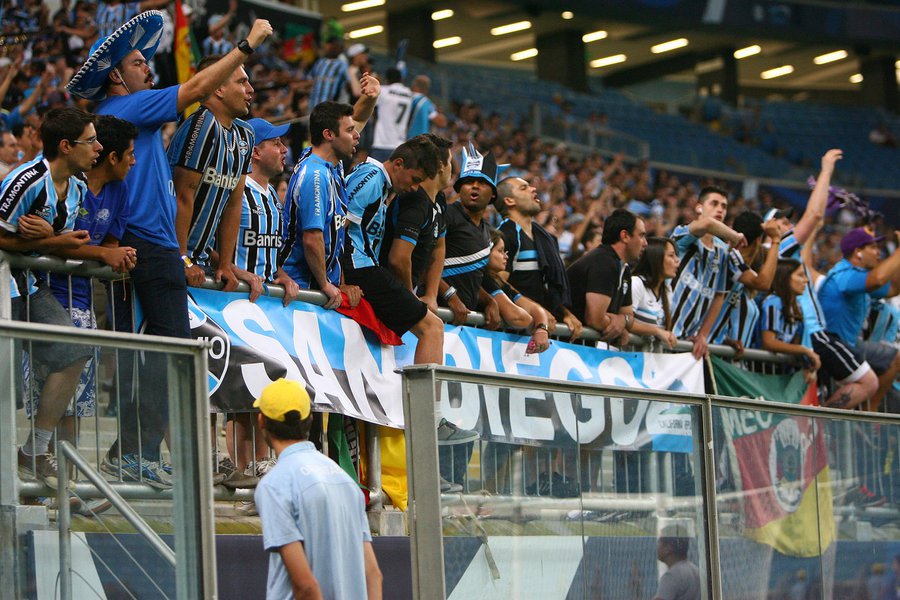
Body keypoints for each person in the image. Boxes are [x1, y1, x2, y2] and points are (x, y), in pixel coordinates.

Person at [66, 10, 273, 485]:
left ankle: (133, 450)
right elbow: (196, 91)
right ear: (116, 75)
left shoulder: (129, 114)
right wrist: (246, 45)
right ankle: (131, 452)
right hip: (147, 244)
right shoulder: (123, 110)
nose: (149, 70)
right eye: (139, 63)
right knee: (167, 352)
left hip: (154, 244)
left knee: (165, 351)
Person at [0, 107, 95, 490]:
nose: (98, 148)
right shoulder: (24, 180)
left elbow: (62, 248)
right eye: (90, 141)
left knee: (74, 349)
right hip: (4, 288)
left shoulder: (79, 187)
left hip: (30, 288)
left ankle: (34, 449)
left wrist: (47, 237)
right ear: (66, 146)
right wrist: (49, 239)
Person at [226, 117, 301, 508]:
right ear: (255, 151)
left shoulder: (272, 196)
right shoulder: (236, 190)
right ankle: (242, 473)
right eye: (276, 143)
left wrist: (283, 276)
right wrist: (239, 272)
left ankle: (256, 469)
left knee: (259, 390)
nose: (284, 149)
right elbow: (215, 248)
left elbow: (268, 250)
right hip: (233, 305)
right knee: (239, 395)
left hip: (266, 309)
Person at [766, 149, 878, 409]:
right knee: (868, 382)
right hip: (813, 333)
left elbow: (807, 248)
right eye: (781, 223)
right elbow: (813, 216)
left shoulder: (784, 256)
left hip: (811, 334)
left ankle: (822, 420)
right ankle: (825, 421)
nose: (788, 226)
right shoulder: (777, 249)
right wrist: (826, 170)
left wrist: (816, 226)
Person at [254, 378, 383, 600]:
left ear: (261, 421)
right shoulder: (345, 481)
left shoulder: (275, 485)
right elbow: (373, 575)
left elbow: (305, 586)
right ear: (310, 419)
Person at [342, 136, 445, 372]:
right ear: (398, 164)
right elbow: (338, 227)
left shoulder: (383, 185)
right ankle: (426, 408)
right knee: (432, 328)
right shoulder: (371, 177)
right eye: (415, 179)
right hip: (359, 268)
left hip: (364, 267)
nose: (414, 188)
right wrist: (341, 282)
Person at [280, 85, 380, 305]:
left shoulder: (329, 163)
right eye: (350, 131)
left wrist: (371, 97)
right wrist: (325, 284)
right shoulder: (316, 176)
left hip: (319, 288)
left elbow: (355, 122)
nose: (357, 136)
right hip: (302, 290)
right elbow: (312, 239)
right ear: (328, 135)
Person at [168, 53, 255, 294]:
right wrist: (182, 258)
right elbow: (182, 196)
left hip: (204, 264)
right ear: (217, 89)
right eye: (241, 82)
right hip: (174, 259)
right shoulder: (203, 124)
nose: (250, 90)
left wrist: (226, 264)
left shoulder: (245, 135)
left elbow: (233, 205)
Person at [818, 227, 900, 410]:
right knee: (871, 380)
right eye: (873, 248)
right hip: (831, 346)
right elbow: (878, 279)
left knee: (895, 358)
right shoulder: (845, 275)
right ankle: (820, 422)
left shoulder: (858, 276)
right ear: (858, 252)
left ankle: (870, 410)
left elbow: (894, 288)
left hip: (849, 344)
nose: (879, 252)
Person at [496, 175, 583, 341]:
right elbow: (498, 283)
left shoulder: (541, 236)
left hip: (538, 330)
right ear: (509, 201)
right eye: (524, 188)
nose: (533, 189)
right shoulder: (507, 233)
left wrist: (565, 313)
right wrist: (535, 309)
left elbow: (543, 284)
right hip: (511, 335)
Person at [669, 186, 747, 359]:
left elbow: (719, 295)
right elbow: (708, 224)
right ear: (699, 207)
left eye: (724, 206)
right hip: (662, 331)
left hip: (686, 343)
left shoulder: (723, 250)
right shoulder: (683, 233)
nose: (720, 209)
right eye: (714, 203)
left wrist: (703, 335)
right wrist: (736, 236)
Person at [381, 133, 451, 314]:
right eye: (451, 162)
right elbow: (398, 259)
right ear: (441, 166)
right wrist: (411, 299)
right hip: (389, 291)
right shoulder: (415, 200)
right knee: (432, 331)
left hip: (407, 290)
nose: (453, 169)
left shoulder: (440, 199)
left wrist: (431, 295)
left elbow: (439, 247)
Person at [439, 144, 506, 329]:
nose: (475, 186)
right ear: (460, 189)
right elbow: (426, 262)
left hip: (462, 322)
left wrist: (489, 301)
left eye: (482, 182)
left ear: (493, 195)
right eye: (468, 181)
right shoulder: (447, 215)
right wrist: (450, 296)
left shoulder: (487, 231)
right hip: (439, 313)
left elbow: (472, 278)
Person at [566, 208, 647, 346]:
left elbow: (628, 316)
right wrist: (619, 327)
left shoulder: (623, 268)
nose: (645, 243)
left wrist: (622, 320)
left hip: (577, 349)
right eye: (641, 235)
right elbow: (595, 319)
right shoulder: (603, 262)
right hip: (561, 346)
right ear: (625, 236)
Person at [708, 211, 781, 354]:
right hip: (706, 349)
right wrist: (776, 240)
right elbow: (763, 283)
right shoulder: (730, 256)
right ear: (758, 241)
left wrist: (725, 339)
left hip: (713, 346)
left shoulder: (735, 264)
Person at [485, 230, 551, 354]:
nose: (506, 256)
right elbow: (517, 317)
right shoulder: (484, 279)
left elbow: (535, 309)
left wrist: (542, 329)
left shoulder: (499, 281)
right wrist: (535, 322)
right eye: (500, 251)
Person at [760, 259, 820, 383]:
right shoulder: (773, 303)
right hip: (763, 372)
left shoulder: (797, 307)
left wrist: (807, 365)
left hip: (782, 373)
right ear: (785, 277)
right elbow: (769, 342)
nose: (806, 280)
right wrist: (805, 351)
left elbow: (793, 345)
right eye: (800, 275)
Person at [630, 237, 679, 348]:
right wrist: (656, 331)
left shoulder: (667, 290)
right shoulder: (636, 284)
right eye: (671, 255)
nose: (677, 260)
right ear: (656, 258)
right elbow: (625, 322)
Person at [369, 68, 414, 162]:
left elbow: (369, 102)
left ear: (387, 79)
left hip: (382, 142)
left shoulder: (383, 91)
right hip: (400, 145)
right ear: (401, 79)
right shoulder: (409, 94)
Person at [654, 527, 701, 600]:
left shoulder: (671, 576)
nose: (657, 546)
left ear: (668, 548)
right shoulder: (696, 572)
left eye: (659, 542)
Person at [306, 36, 349, 111]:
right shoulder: (320, 62)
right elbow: (311, 80)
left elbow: (347, 85)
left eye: (339, 47)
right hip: (312, 107)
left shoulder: (342, 65)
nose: (336, 49)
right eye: (334, 46)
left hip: (329, 111)